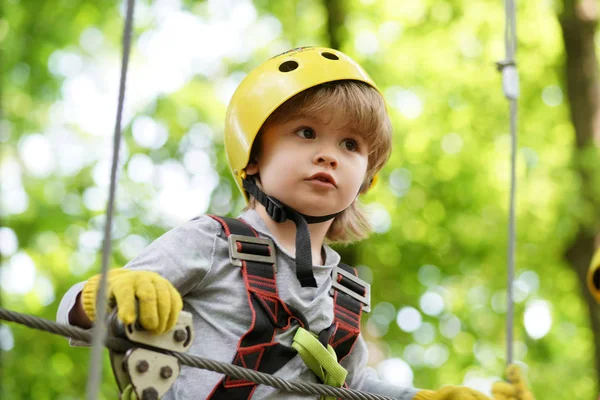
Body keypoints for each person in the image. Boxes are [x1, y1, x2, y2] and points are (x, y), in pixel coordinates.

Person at [57, 47, 491, 400]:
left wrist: (420, 398)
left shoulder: (345, 291)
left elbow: (351, 388)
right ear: (254, 154)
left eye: (351, 144)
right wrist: (107, 293)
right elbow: (72, 314)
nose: (329, 154)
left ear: (367, 177)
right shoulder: (212, 241)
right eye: (305, 132)